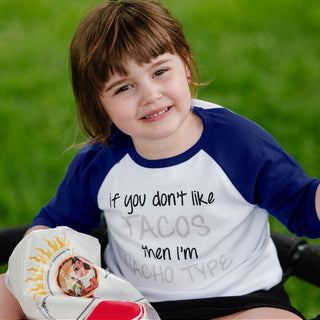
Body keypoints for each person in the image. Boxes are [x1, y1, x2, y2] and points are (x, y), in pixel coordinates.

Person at [1, 0, 319, 319]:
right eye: (124, 87)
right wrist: (37, 261)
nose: (150, 94)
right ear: (98, 105)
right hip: (132, 305)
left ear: (186, 64)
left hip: (241, 300)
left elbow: (303, 205)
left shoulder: (238, 144)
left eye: (160, 71)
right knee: (4, 290)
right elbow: (57, 224)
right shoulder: (100, 161)